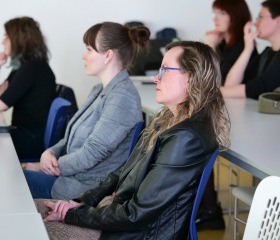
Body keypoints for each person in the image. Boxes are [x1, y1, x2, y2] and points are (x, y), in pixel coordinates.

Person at [35, 40, 231, 240]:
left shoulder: (186, 138)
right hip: (117, 219)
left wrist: (72, 214)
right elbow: (123, 172)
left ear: (192, 78)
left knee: (31, 227)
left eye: (165, 70)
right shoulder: (168, 120)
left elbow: (135, 214)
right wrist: (81, 202)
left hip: (132, 234)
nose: (156, 78)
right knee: (32, 213)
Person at [23, 21, 150, 200]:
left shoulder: (122, 98)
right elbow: (70, 139)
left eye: (89, 49)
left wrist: (43, 167)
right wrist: (49, 153)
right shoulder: (99, 90)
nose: (83, 55)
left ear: (108, 55)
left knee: (10, 180)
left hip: (82, 188)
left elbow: (90, 154)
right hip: (68, 177)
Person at [198, 0, 258, 231]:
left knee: (198, 143)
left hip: (244, 125)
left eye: (221, 13)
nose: (215, 18)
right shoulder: (229, 45)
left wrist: (209, 47)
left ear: (234, 15)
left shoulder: (244, 46)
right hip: (232, 118)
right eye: (215, 13)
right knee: (197, 141)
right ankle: (208, 209)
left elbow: (211, 85)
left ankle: (210, 211)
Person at [0, 16, 56, 159]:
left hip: (29, 139)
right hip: (25, 134)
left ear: (18, 39)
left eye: (6, 37)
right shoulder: (25, 65)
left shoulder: (31, 67)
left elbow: (1, 104)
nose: (2, 42)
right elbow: (2, 94)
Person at [221, 0, 280, 99]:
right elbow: (230, 85)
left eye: (260, 17)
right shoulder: (267, 53)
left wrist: (211, 92)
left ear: (278, 21)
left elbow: (259, 88)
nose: (255, 23)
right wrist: (247, 49)